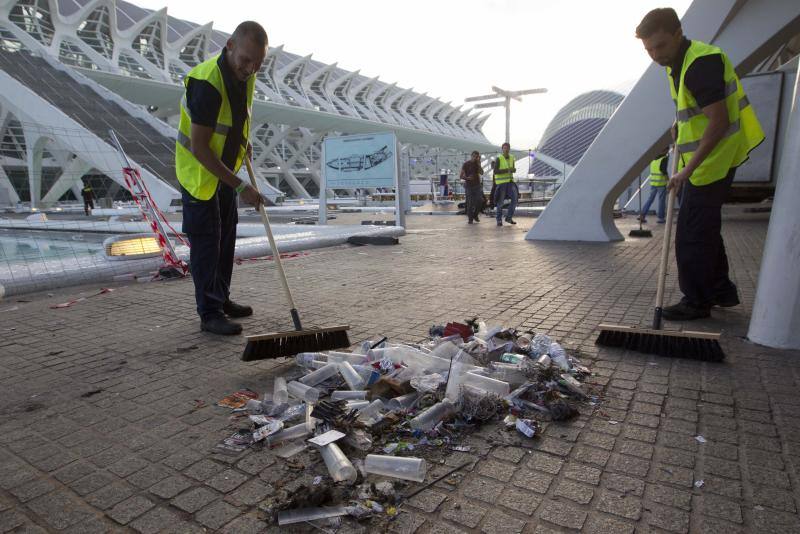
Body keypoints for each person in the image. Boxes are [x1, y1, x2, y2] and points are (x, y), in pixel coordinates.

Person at [636, 7, 764, 320]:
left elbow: (718, 122)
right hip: (707, 158)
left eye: (660, 46)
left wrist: (686, 171)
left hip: (712, 161)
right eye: (649, 49)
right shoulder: (676, 63)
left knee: (691, 235)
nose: (655, 55)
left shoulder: (699, 64)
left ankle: (696, 301)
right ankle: (721, 290)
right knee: (705, 229)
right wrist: (680, 125)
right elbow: (695, 108)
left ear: (678, 34)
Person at [175, 21, 268, 335]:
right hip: (201, 172)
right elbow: (200, 147)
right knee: (207, 243)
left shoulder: (245, 75)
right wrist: (241, 185)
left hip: (225, 170)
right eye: (245, 59)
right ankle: (209, 313)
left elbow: (234, 118)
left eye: (258, 63)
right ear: (229, 45)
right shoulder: (207, 84)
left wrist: (243, 143)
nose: (251, 68)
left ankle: (222, 298)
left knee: (226, 237)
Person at [639, 150, 669, 224]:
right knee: (661, 201)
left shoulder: (653, 159)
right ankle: (661, 218)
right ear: (665, 151)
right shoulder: (664, 158)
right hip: (661, 183)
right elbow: (663, 171)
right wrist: (668, 179)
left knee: (650, 199)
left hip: (653, 183)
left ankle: (642, 215)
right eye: (667, 150)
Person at [493, 142, 518, 226]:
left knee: (515, 200)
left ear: (509, 149)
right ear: (502, 149)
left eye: (507, 148)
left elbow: (513, 169)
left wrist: (513, 170)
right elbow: (495, 171)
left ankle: (509, 218)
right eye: (504, 148)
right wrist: (507, 170)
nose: (506, 149)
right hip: (502, 183)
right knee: (500, 203)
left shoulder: (512, 157)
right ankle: (499, 220)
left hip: (510, 182)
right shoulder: (499, 158)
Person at [460, 151, 484, 223]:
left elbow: (482, 173)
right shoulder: (466, 164)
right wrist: (467, 178)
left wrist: (479, 164)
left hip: (477, 186)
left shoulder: (477, 164)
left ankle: (475, 215)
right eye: (473, 156)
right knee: (469, 203)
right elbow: (461, 176)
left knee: (480, 201)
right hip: (469, 186)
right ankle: (470, 219)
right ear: (471, 156)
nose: (475, 158)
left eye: (476, 157)